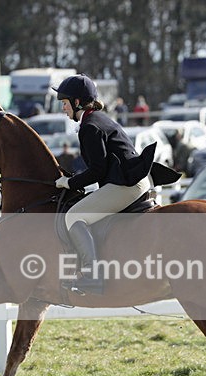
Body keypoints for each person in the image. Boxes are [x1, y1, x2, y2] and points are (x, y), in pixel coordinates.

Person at [52, 74, 177, 295]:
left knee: (73, 216)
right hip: (135, 180)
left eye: (64, 103)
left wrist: (69, 182)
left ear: (77, 102)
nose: (63, 108)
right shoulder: (99, 119)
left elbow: (97, 170)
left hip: (127, 185)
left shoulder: (90, 126)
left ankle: (92, 275)